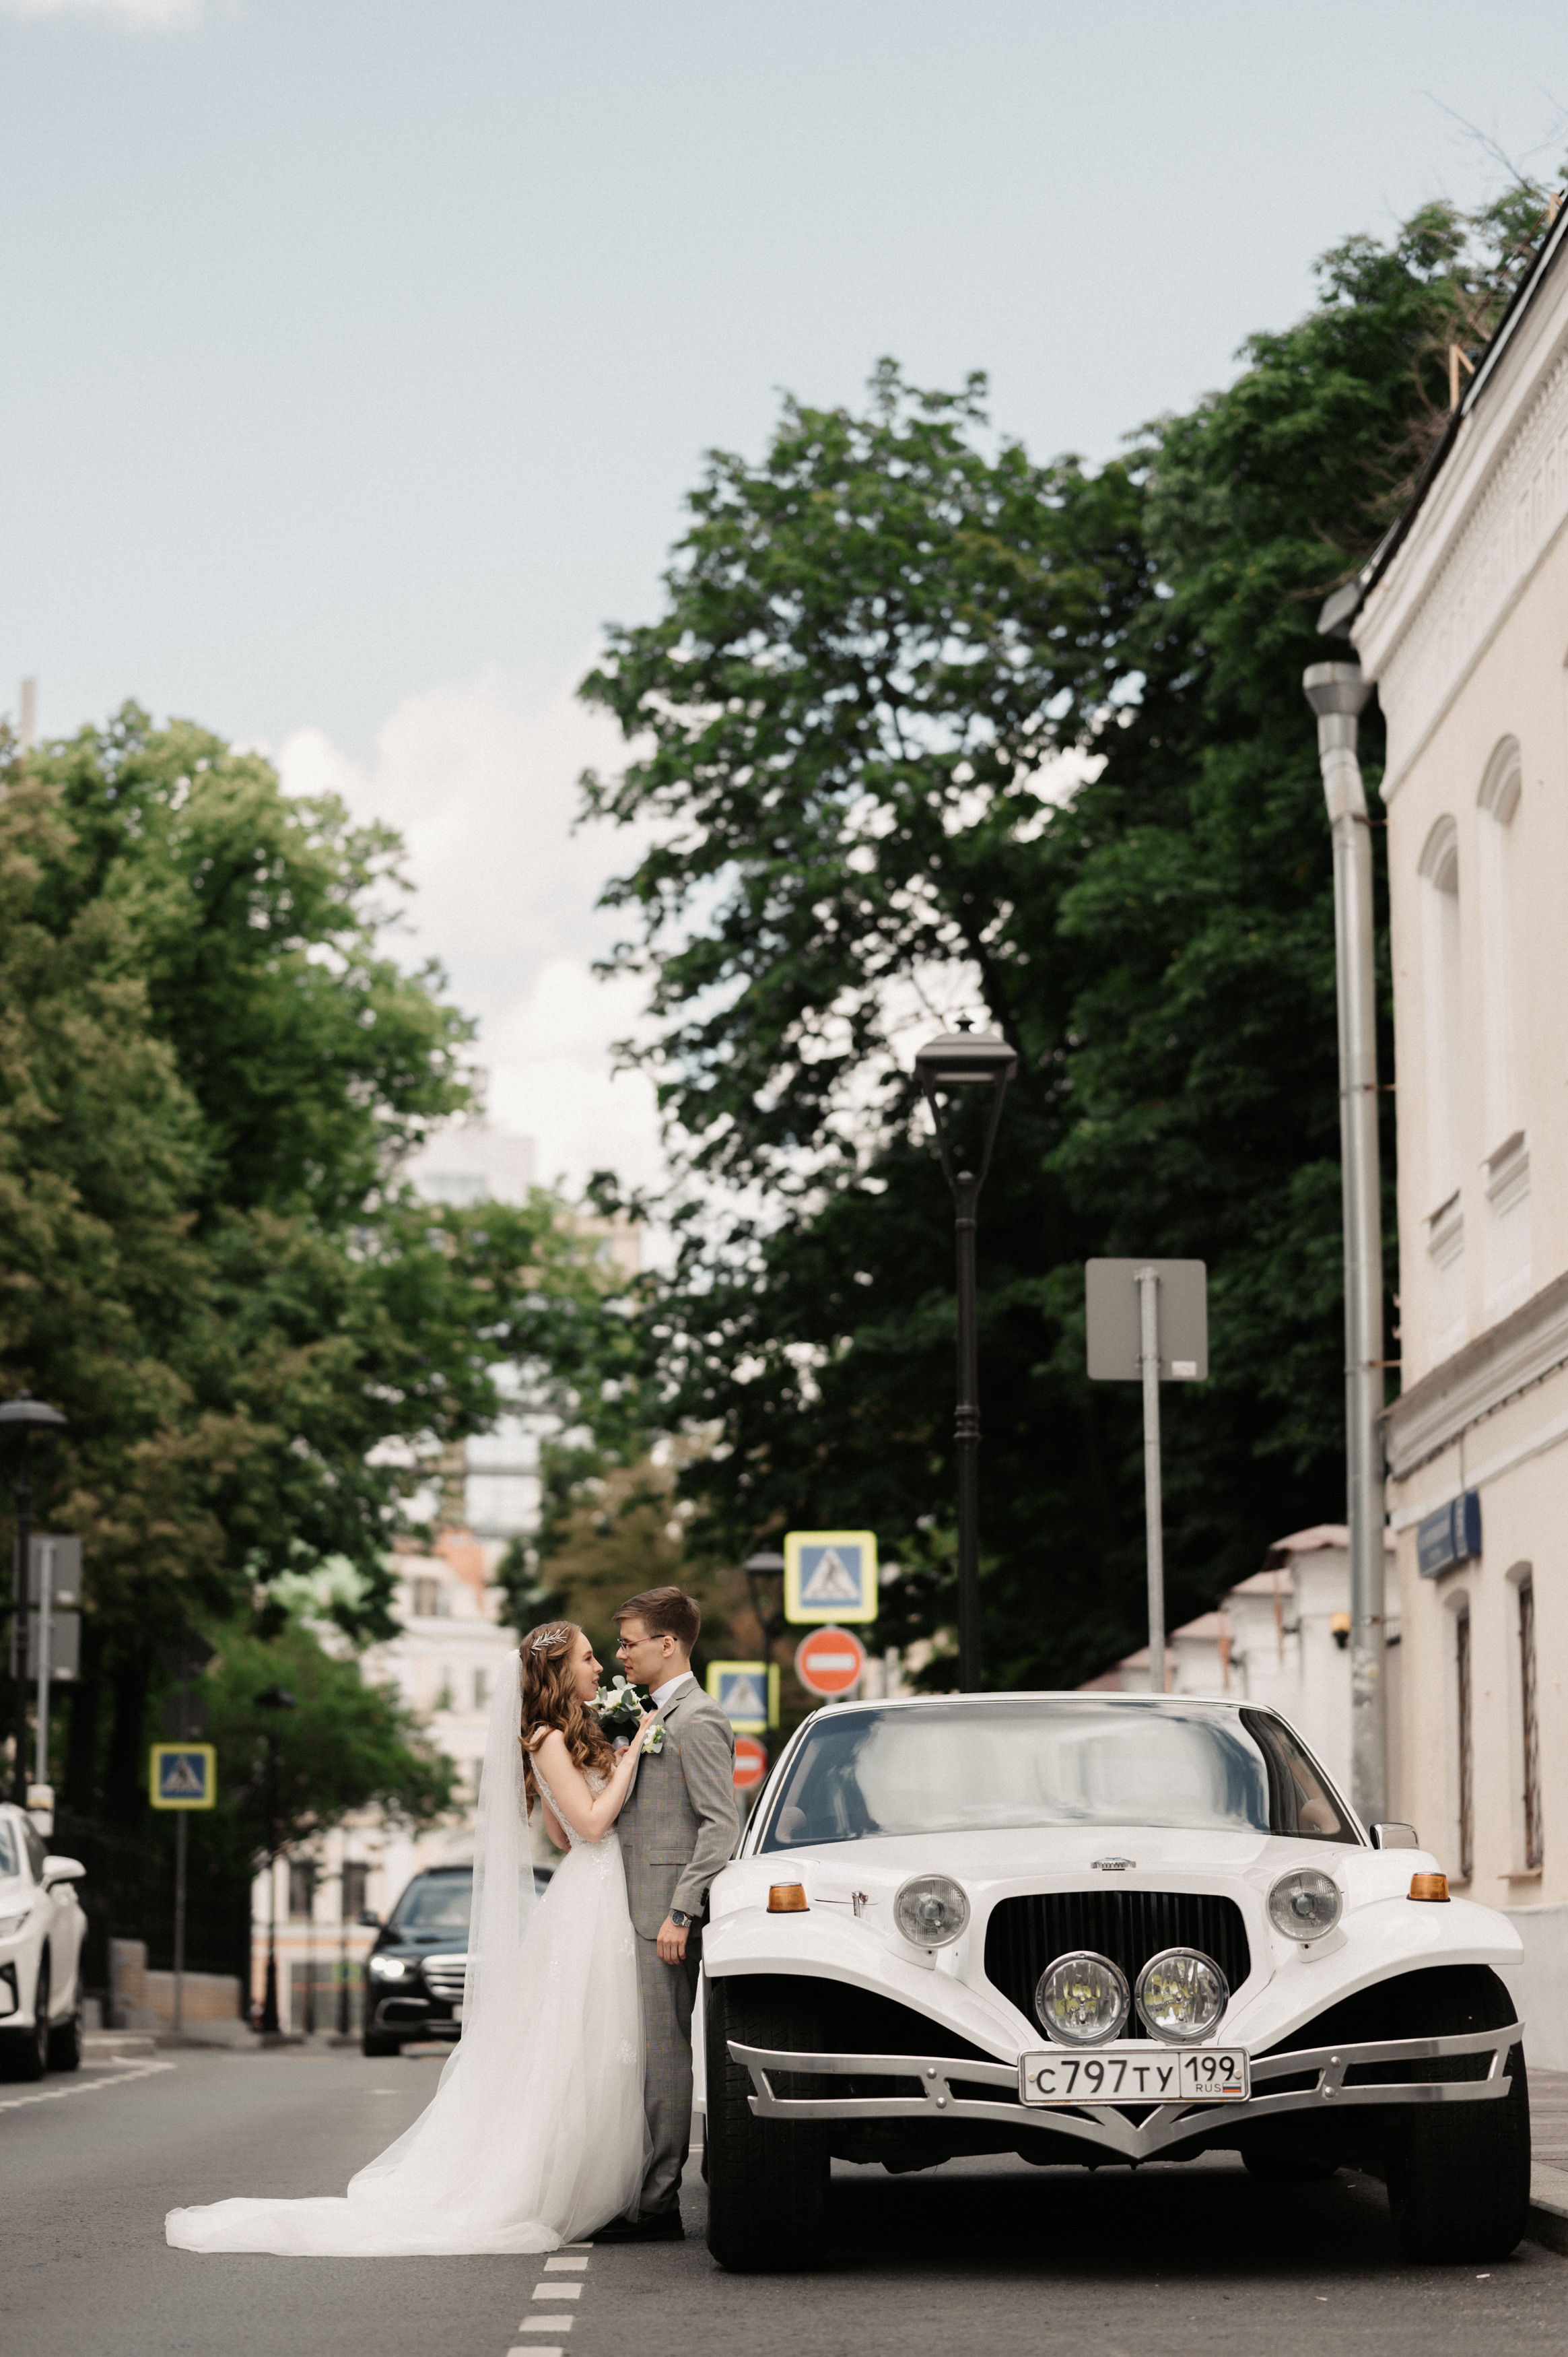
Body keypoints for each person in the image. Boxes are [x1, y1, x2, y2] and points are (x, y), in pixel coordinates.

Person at [164, 1622, 656, 2256]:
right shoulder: (546, 1736)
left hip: (588, 1893)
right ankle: (548, 2181)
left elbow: (561, 1836)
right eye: (589, 1659)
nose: (600, 1667)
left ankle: (585, 2175)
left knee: (583, 2039)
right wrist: (635, 1753)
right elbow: (587, 1827)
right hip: (589, 1893)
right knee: (570, 2041)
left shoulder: (567, 1735)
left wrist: (608, 1765)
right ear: (559, 1673)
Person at [592, 1584, 739, 2243]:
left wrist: (682, 1911)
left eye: (629, 1641)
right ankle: (641, 2187)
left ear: (667, 1642)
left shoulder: (698, 1718)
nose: (620, 1652)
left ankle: (658, 2202)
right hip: (630, 1908)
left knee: (664, 2057)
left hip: (663, 1917)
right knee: (642, 2055)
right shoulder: (651, 1714)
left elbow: (719, 1826)